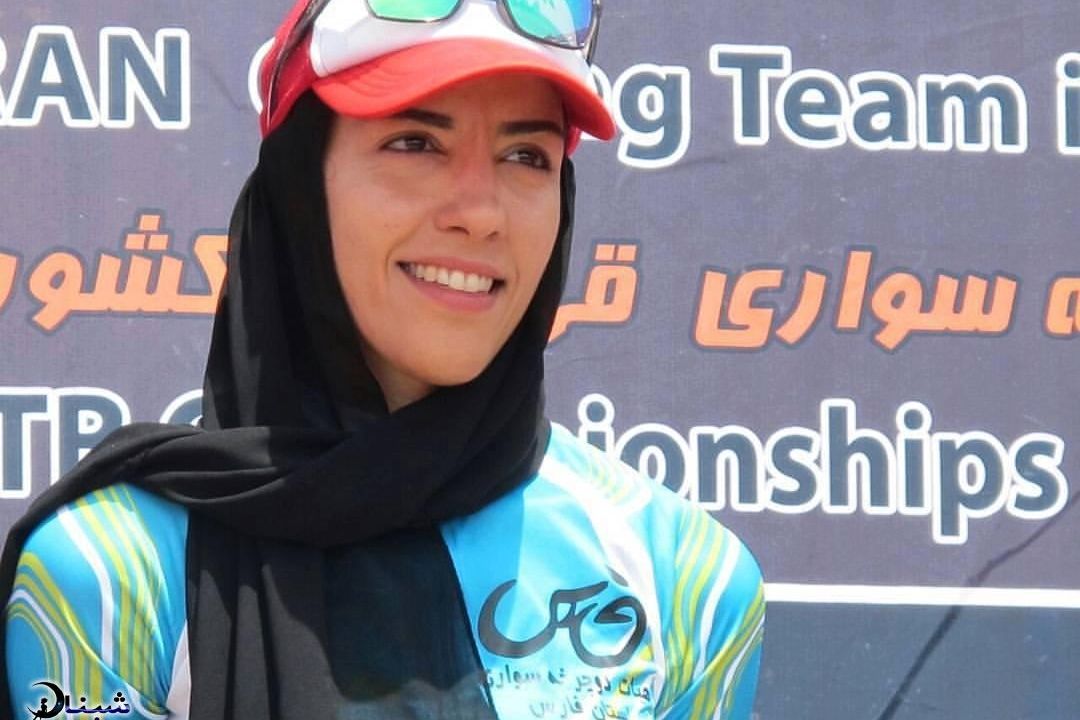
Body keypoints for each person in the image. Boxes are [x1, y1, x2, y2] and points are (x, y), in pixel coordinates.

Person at [2, 0, 765, 717]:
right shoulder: (110, 572)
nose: (480, 212)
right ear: (301, 187)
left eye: (526, 155)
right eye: (415, 143)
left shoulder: (685, 581)